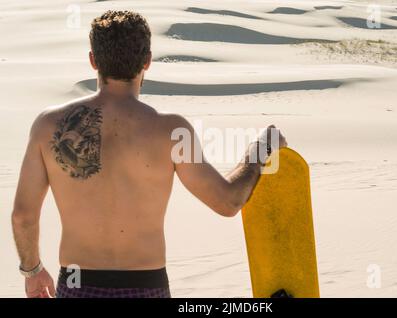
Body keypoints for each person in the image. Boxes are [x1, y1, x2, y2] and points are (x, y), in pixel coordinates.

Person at [11, 10, 287, 298]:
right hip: (145, 286)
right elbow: (228, 202)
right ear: (147, 61)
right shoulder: (172, 131)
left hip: (77, 282)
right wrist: (260, 149)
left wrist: (32, 271)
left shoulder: (48, 125)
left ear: (93, 60)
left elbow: (23, 216)